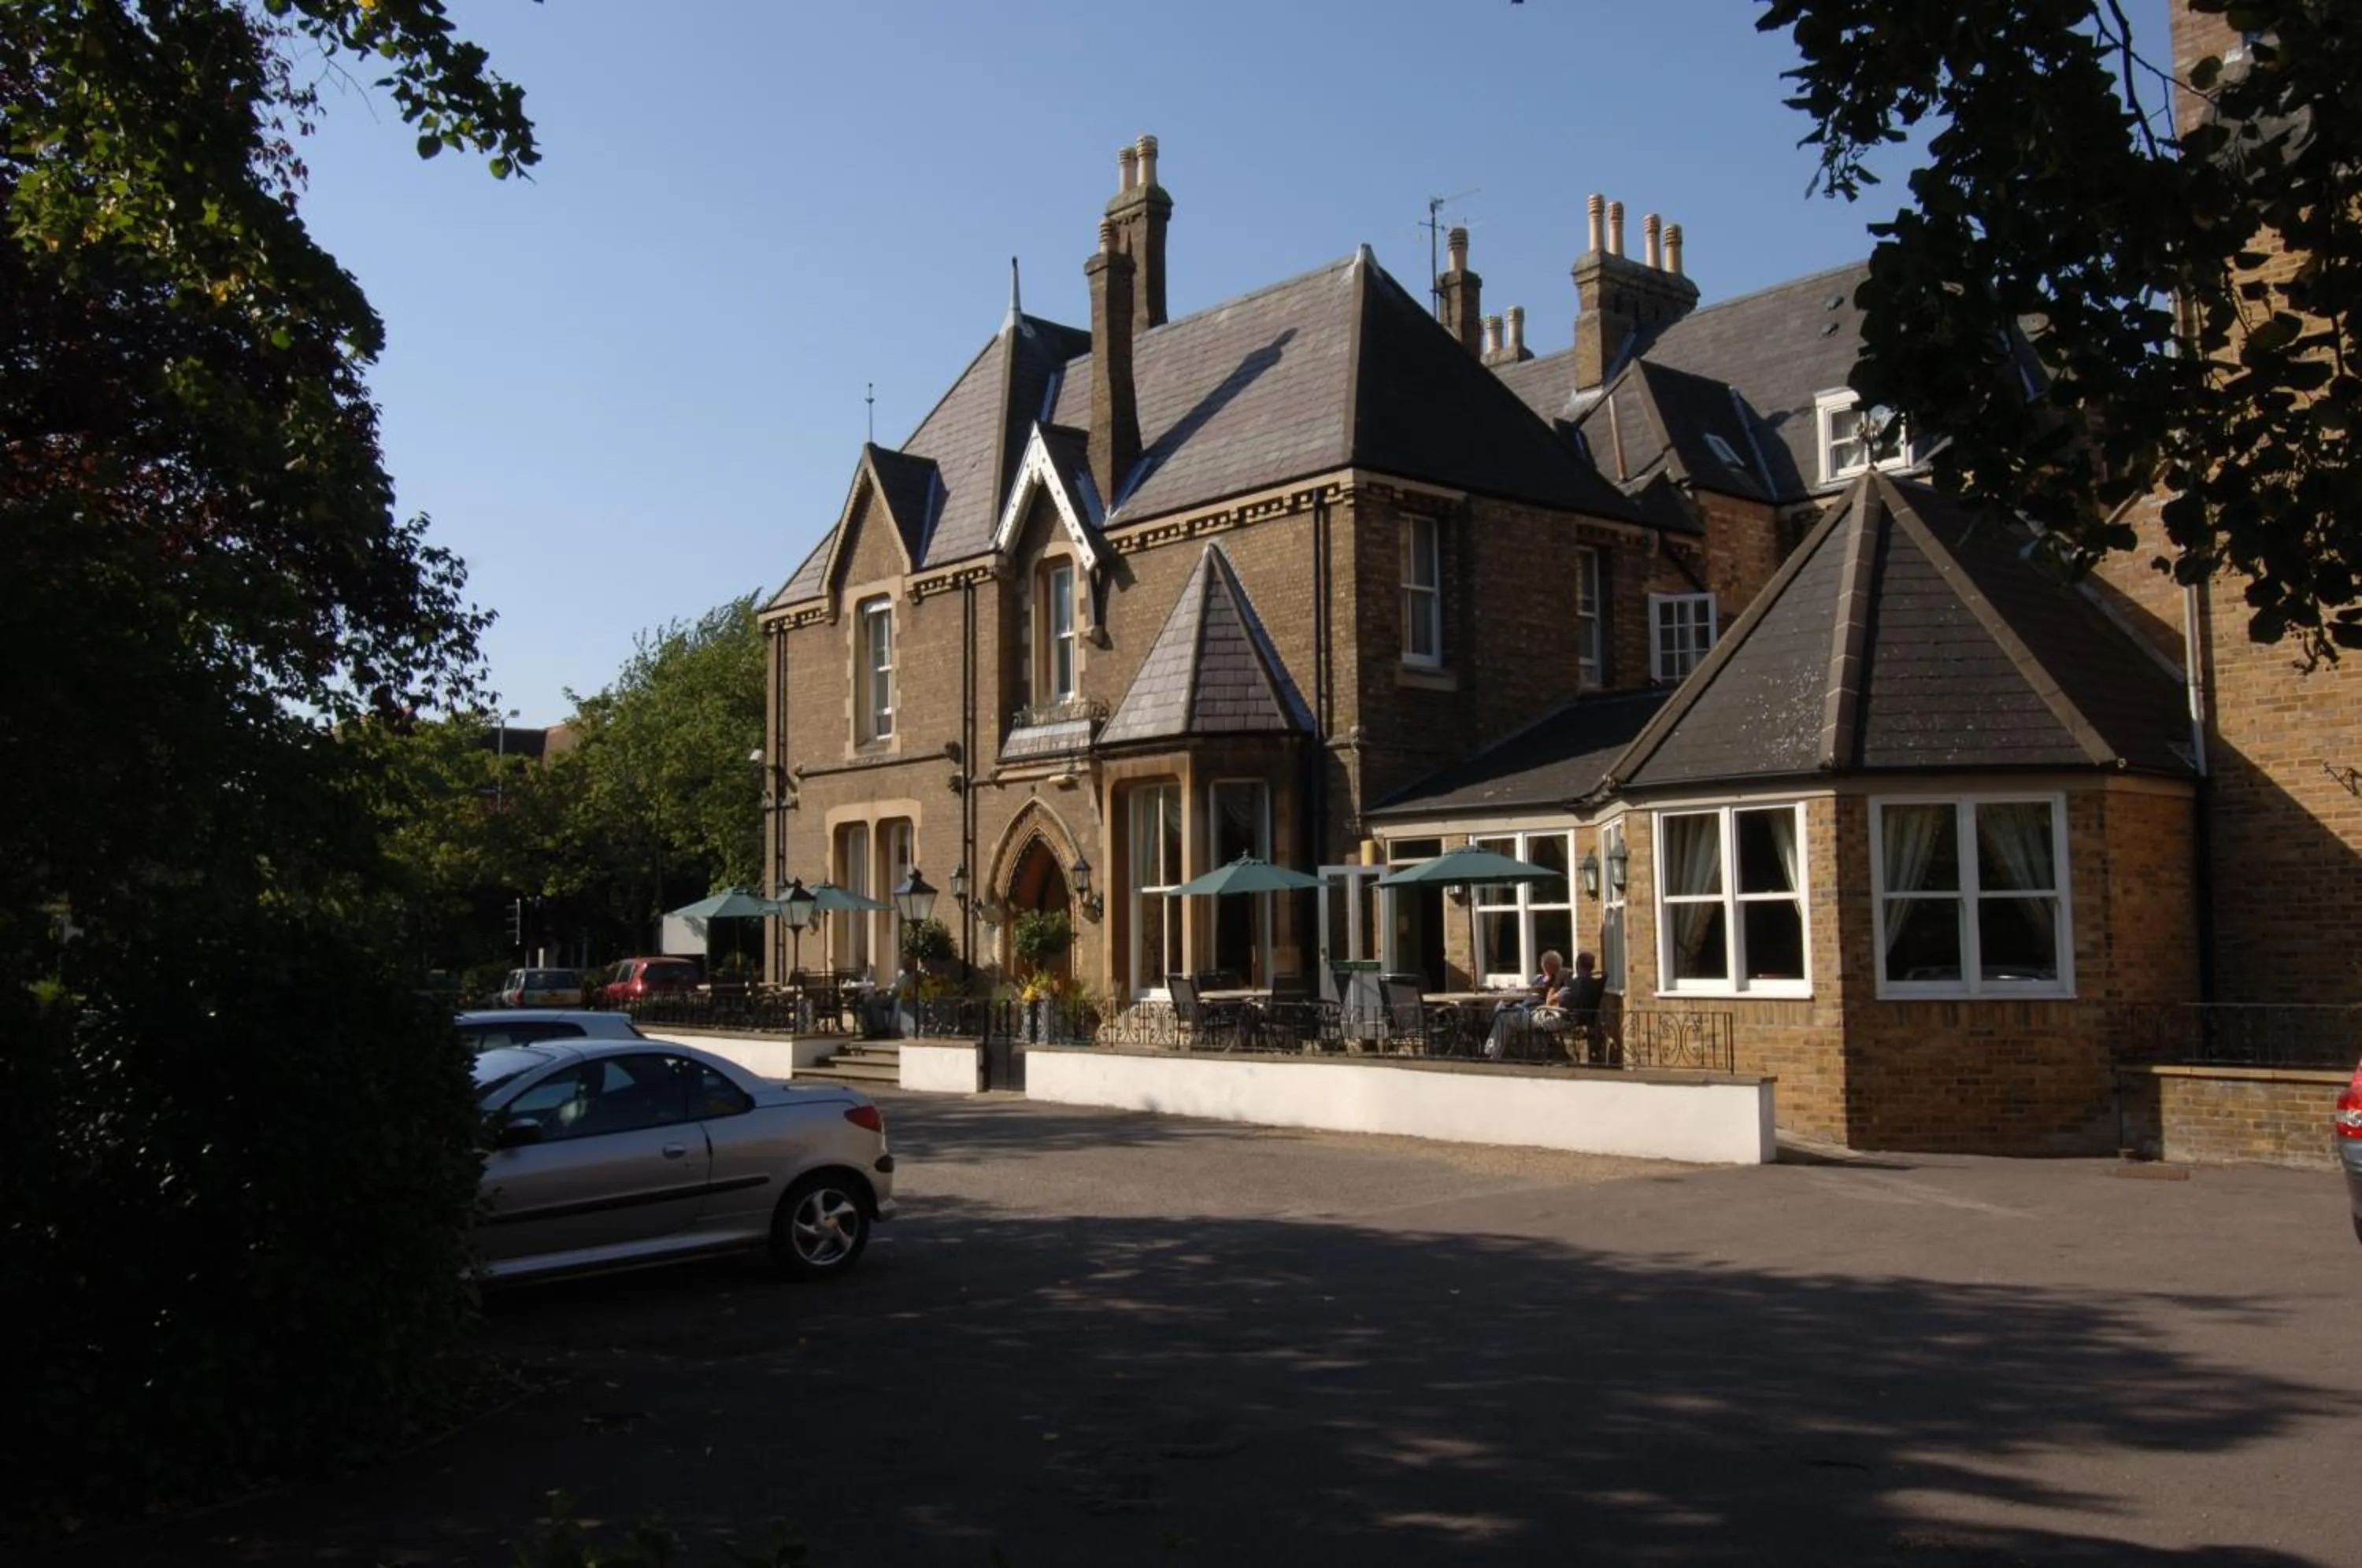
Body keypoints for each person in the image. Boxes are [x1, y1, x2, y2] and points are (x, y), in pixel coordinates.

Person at [1485, 949, 1564, 1060]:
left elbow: (1551, 1001)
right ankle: (1501, 1048)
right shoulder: (1538, 978)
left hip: (1535, 1011)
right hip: (1524, 1006)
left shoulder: (1557, 981)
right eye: (1544, 963)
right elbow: (1528, 993)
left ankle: (1494, 1052)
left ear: (1557, 966)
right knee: (1500, 1007)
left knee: (1502, 1017)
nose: (1545, 966)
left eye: (1549, 964)